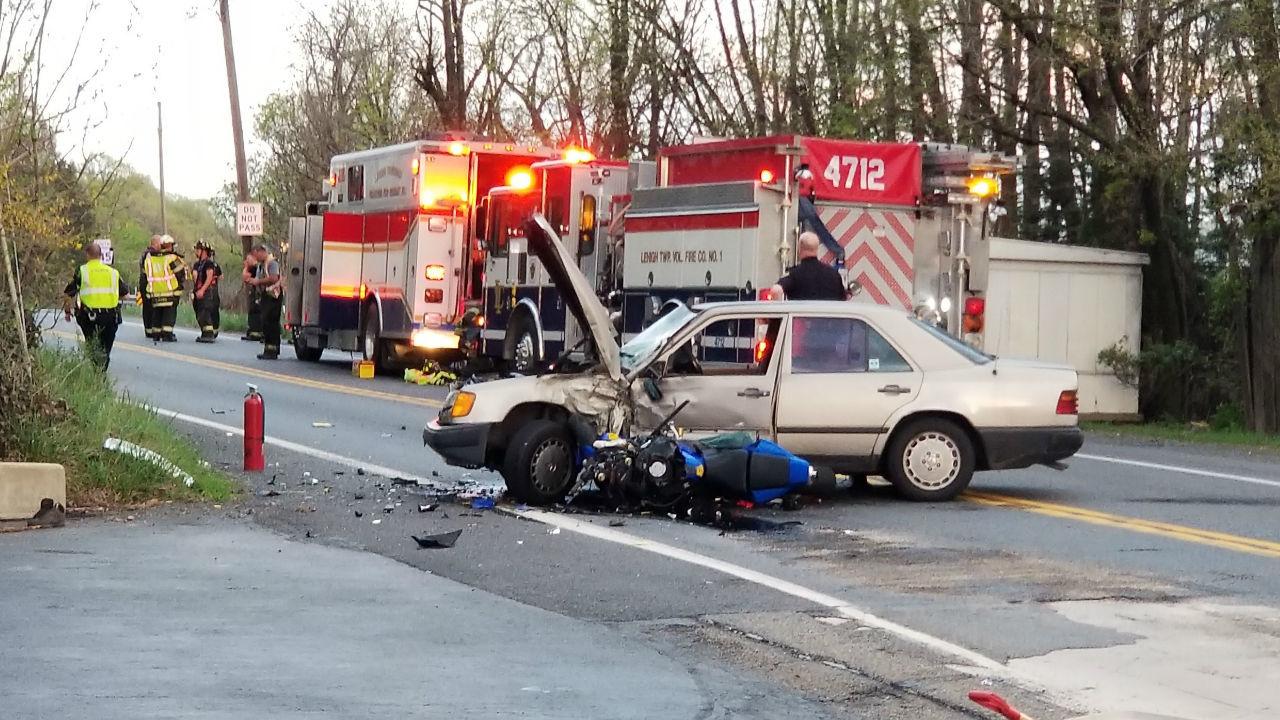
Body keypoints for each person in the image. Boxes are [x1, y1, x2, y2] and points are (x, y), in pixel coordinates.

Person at [63, 241, 129, 369]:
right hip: (111, 317)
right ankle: (101, 373)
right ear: (101, 256)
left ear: (87, 255)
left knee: (93, 346)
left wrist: (67, 311)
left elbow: (68, 293)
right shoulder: (113, 272)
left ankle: (97, 373)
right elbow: (125, 295)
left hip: (89, 317)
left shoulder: (82, 271)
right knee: (105, 350)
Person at [770, 231, 847, 301]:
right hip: (828, 316)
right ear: (817, 249)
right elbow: (843, 301)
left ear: (799, 248)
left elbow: (776, 290)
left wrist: (779, 313)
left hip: (801, 315)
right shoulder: (834, 275)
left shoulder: (794, 274)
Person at [140, 234, 187, 342]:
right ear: (169, 246)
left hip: (155, 292)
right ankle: (167, 334)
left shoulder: (150, 258)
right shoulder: (171, 258)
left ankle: (156, 334)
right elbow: (180, 274)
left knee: (157, 313)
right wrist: (179, 287)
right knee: (169, 314)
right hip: (169, 292)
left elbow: (145, 275)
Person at [246, 243, 283, 360]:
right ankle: (269, 348)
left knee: (270, 322)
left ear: (262, 251)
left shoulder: (271, 263)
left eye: (256, 255)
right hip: (266, 296)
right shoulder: (261, 265)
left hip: (273, 296)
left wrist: (258, 282)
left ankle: (272, 349)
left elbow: (274, 278)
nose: (256, 258)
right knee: (265, 321)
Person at [191, 241, 223, 343]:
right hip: (203, 291)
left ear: (204, 251)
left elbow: (209, 277)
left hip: (207, 292)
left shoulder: (209, 263)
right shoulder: (200, 264)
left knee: (205, 312)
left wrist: (202, 290)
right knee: (201, 312)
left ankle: (209, 334)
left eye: (198, 249)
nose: (196, 251)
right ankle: (205, 333)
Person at [241, 252, 263, 342]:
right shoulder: (255, 268)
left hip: (257, 293)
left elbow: (245, 277)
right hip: (255, 291)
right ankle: (252, 331)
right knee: (252, 310)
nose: (246, 261)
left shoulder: (254, 268)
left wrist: (246, 267)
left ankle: (256, 333)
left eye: (248, 259)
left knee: (255, 311)